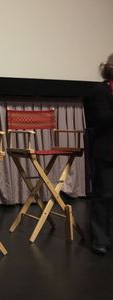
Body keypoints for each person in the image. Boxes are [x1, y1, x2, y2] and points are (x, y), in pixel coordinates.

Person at [84, 53, 113, 255]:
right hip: (106, 150)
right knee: (104, 196)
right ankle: (100, 240)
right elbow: (102, 118)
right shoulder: (100, 91)